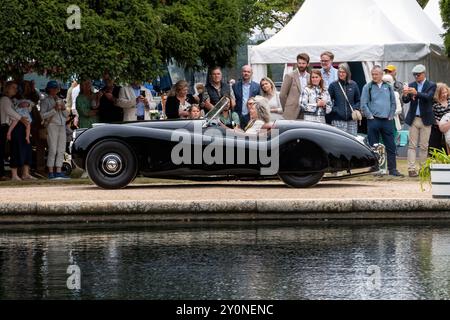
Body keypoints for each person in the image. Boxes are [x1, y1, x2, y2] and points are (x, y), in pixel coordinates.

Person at [361, 66, 403, 177]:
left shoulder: (388, 87)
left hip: (387, 120)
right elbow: (363, 104)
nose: (374, 76)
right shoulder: (367, 87)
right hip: (373, 120)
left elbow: (393, 103)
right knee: (374, 146)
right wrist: (369, 116)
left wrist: (390, 115)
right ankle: (375, 168)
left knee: (391, 145)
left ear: (381, 75)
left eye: (376, 74)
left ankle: (393, 169)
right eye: (373, 74)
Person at [402, 64, 437, 177]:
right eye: (414, 75)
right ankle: (411, 169)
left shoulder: (431, 85)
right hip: (414, 118)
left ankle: (423, 168)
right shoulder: (412, 85)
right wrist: (405, 94)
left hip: (426, 119)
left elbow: (428, 97)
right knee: (412, 146)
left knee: (424, 146)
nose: (416, 76)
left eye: (418, 74)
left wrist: (416, 93)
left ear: (423, 73)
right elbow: (406, 101)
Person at [0, 81, 34, 181]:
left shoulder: (11, 100)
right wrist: (21, 118)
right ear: (7, 88)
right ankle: (2, 174)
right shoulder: (4, 99)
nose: (15, 89)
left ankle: (19, 173)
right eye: (13, 87)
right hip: (4, 126)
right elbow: (9, 111)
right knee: (2, 151)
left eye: (16, 87)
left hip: (9, 126)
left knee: (3, 151)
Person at [40, 81, 70, 180]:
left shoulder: (60, 99)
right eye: (53, 88)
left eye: (56, 88)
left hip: (61, 126)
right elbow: (42, 115)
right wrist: (54, 109)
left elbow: (66, 115)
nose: (55, 90)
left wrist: (64, 108)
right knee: (52, 149)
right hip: (51, 125)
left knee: (61, 149)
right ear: (49, 89)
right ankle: (50, 171)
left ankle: (58, 170)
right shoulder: (45, 100)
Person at [328, 63, 361, 136]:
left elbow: (358, 100)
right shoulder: (333, 85)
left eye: (343, 72)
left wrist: (355, 109)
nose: (341, 74)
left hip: (352, 119)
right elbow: (328, 101)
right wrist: (335, 110)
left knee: (352, 140)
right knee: (339, 141)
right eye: (339, 72)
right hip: (338, 119)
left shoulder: (353, 85)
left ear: (347, 73)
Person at [280, 53, 310, 120]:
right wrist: (287, 108)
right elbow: (282, 95)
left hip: (306, 111)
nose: (301, 65)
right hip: (291, 112)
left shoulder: (309, 77)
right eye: (299, 63)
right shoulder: (289, 76)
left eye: (303, 63)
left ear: (308, 64)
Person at [429, 83, 450, 153]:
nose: (445, 94)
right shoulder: (435, 104)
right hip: (440, 126)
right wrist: (442, 125)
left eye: (445, 92)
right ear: (438, 93)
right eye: (442, 93)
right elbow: (434, 117)